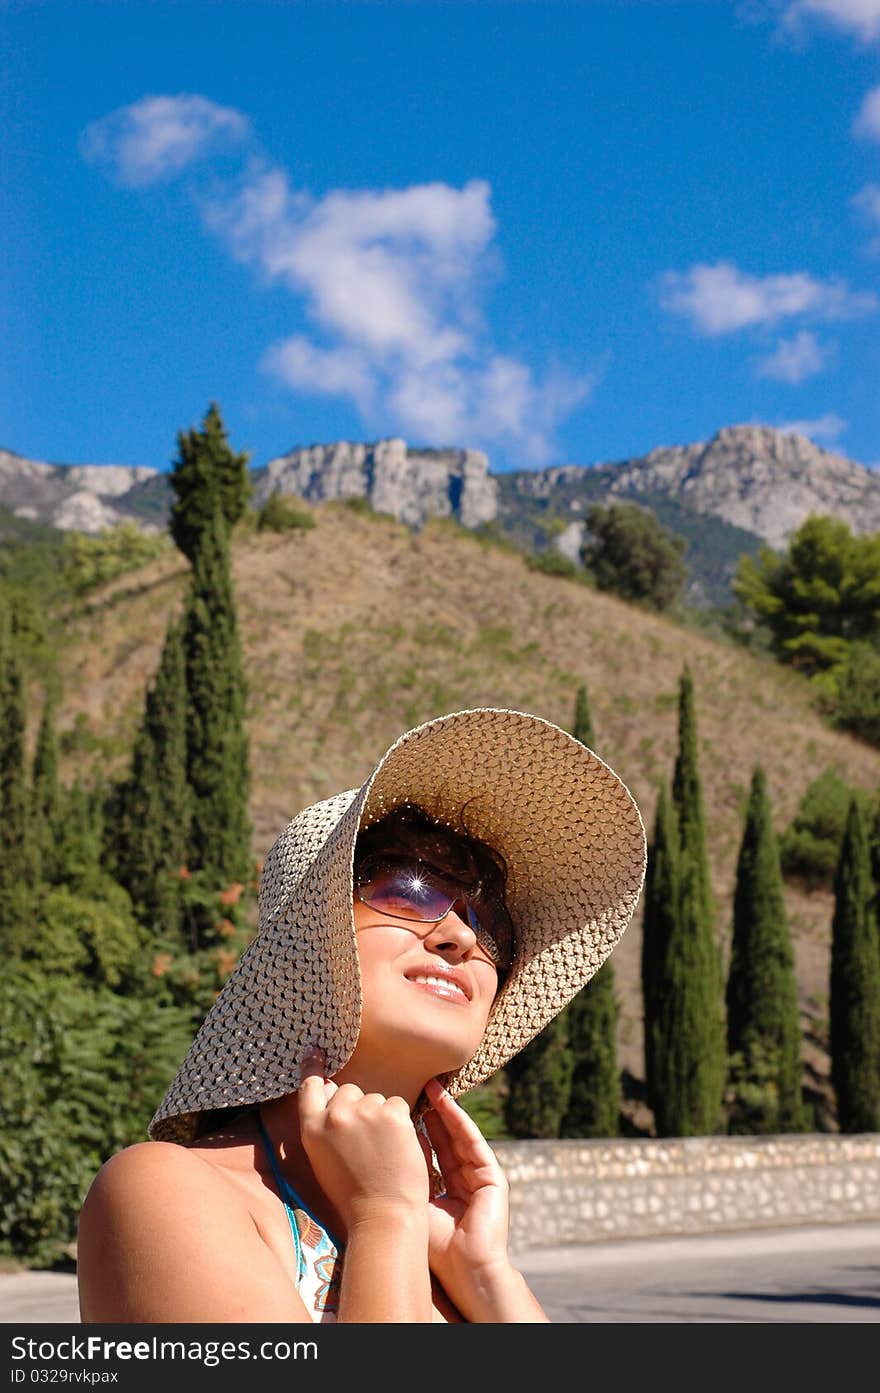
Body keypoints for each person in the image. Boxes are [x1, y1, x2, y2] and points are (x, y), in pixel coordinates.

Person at [77, 706, 646, 1323]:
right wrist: (384, 1216)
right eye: (408, 889)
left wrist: (487, 1274)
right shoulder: (167, 1192)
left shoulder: (449, 1247)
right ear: (307, 937)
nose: (461, 935)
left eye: (495, 928)